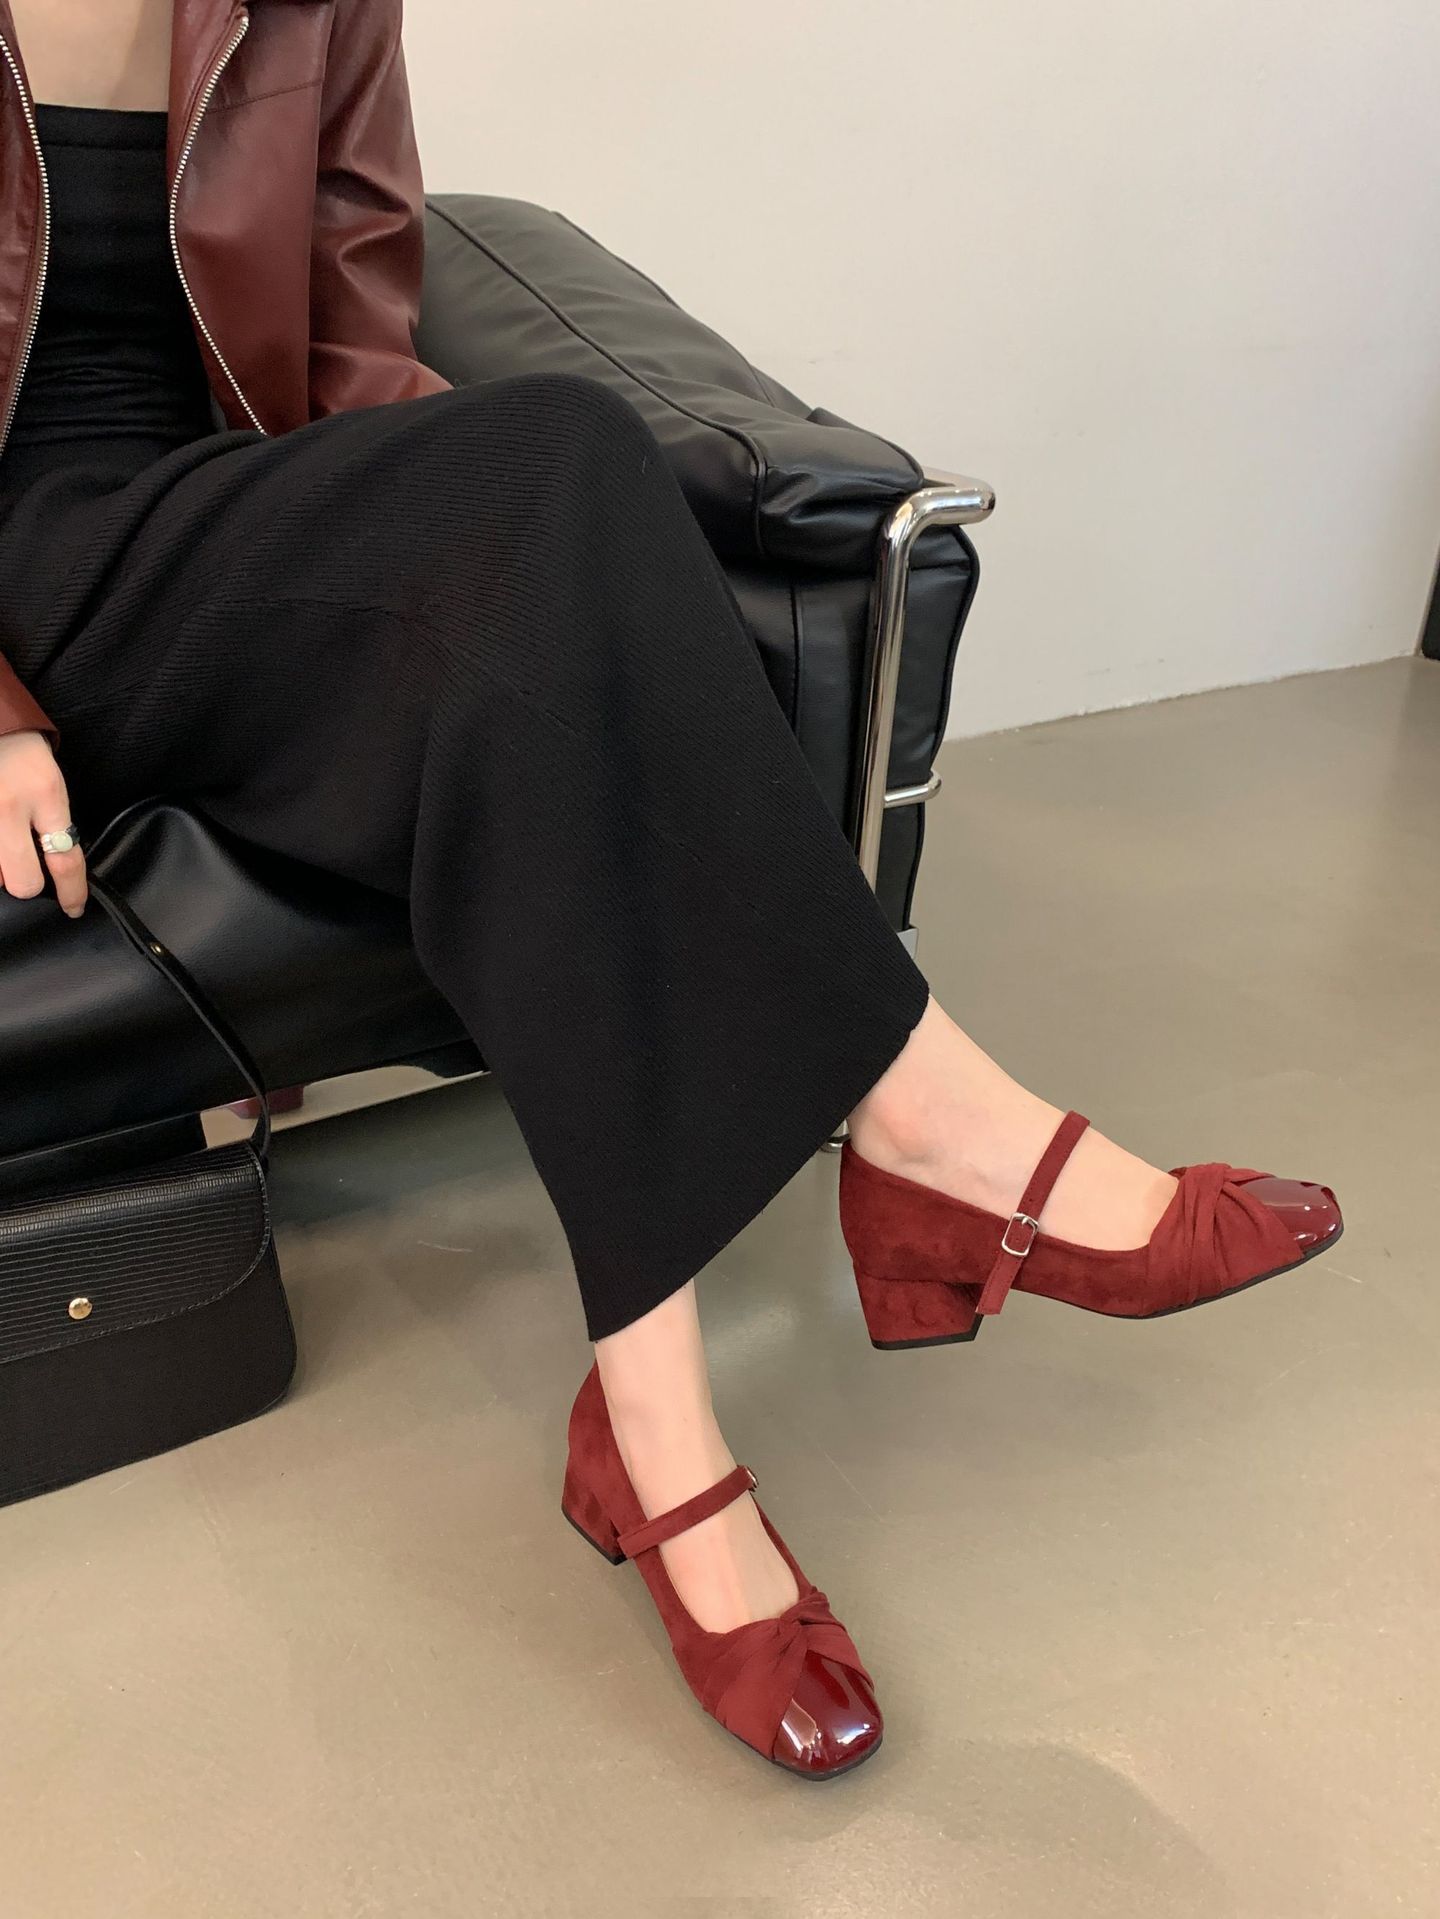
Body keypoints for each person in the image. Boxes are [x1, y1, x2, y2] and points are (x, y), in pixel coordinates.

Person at [0, 0, 1341, 1781]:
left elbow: (355, 323)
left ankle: (659, 1419)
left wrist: (480, 569)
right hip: (38, 567)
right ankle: (918, 1142)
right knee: (551, 473)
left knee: (554, 483)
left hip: (248, 518)